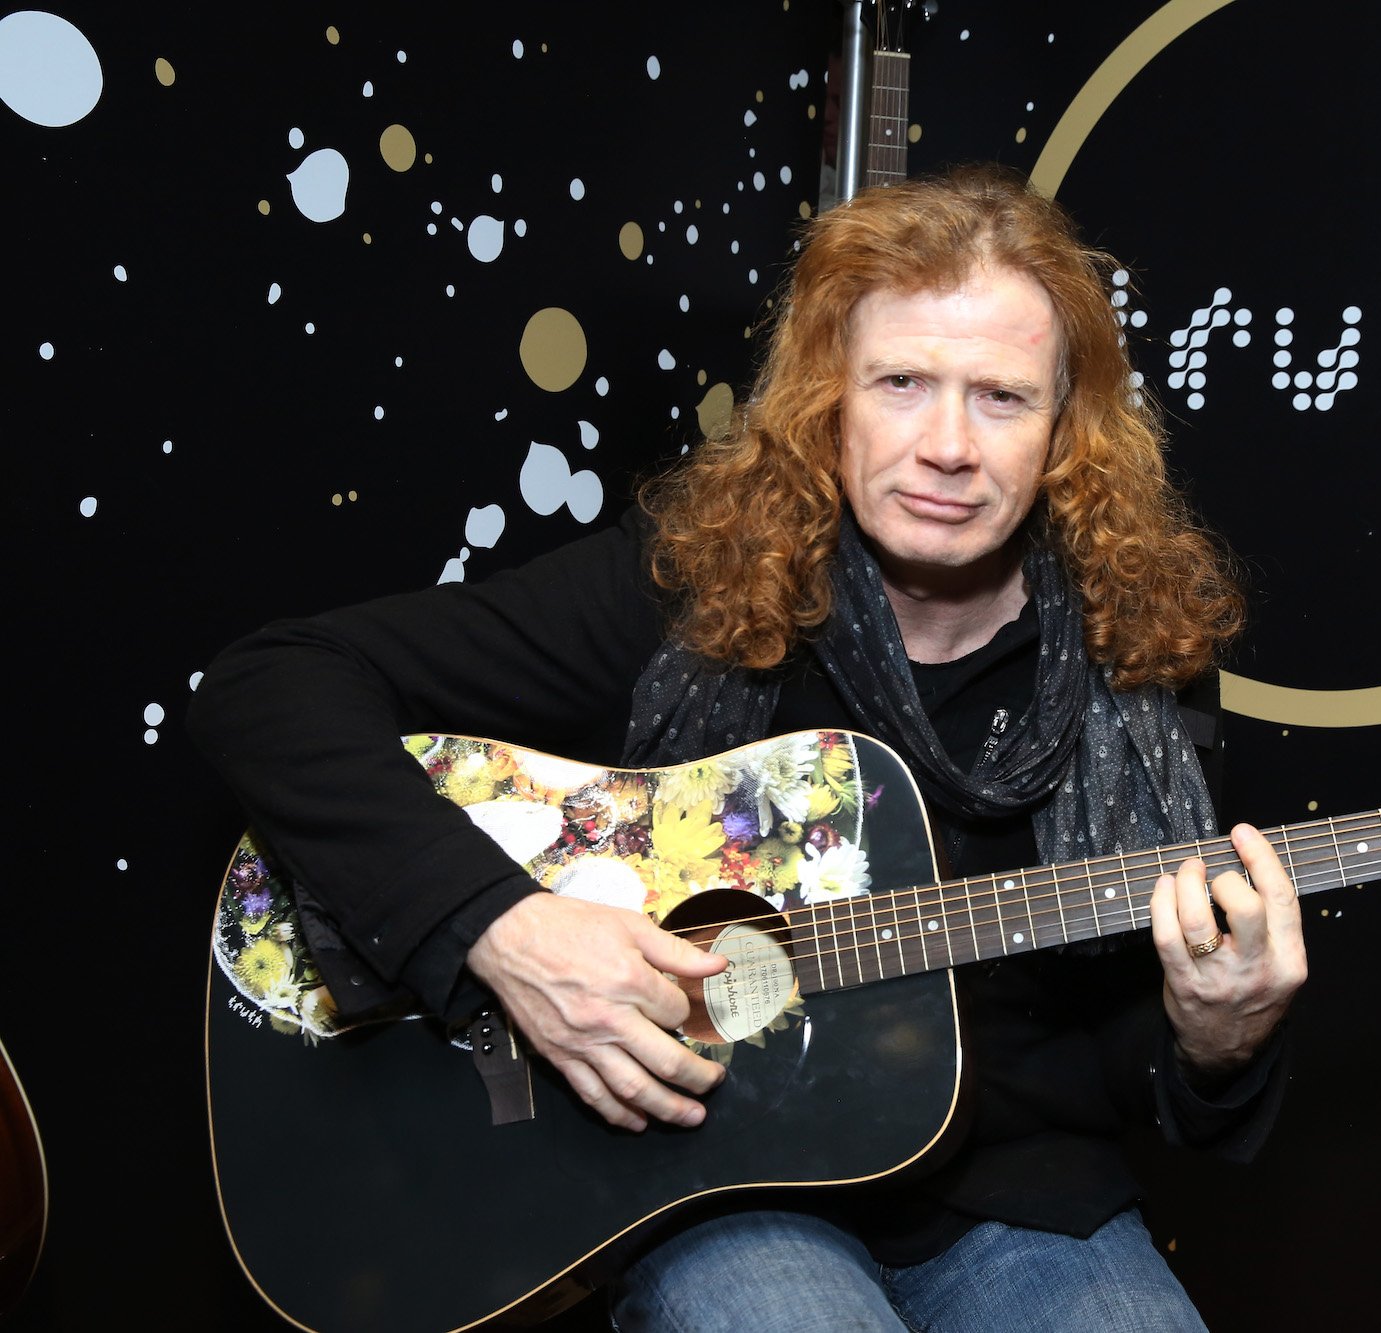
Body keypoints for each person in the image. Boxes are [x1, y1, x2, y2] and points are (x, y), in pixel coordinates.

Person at [189, 163, 1307, 1331]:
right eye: (901, 381)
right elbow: (269, 686)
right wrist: (498, 929)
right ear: (828, 395)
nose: (944, 445)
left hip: (1020, 1198)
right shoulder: (691, 581)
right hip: (710, 1180)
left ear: (1068, 431)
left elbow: (1124, 1046)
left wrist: (1214, 1034)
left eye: (1000, 398)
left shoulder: (1143, 651)